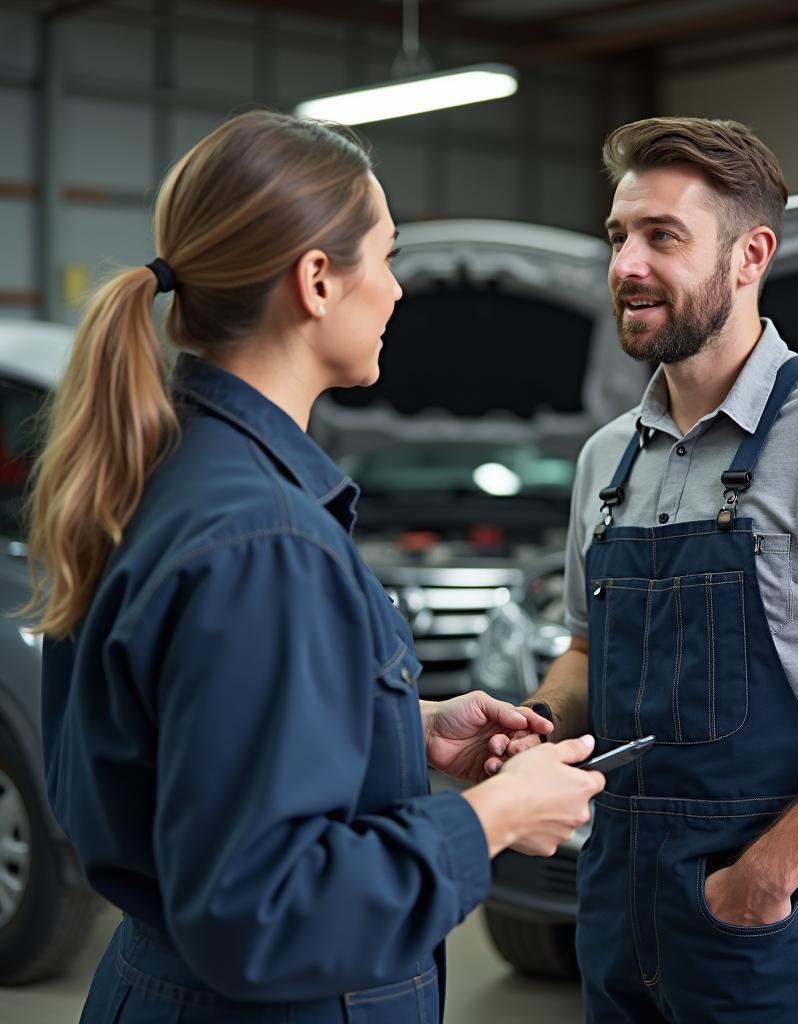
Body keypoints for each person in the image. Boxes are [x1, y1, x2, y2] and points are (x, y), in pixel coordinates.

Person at [26, 109, 604, 1024]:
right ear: (318, 281)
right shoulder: (265, 540)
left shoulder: (155, 475)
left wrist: (392, 727)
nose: (400, 291)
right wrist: (494, 818)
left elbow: (158, 746)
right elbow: (264, 909)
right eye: (387, 255)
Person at [490, 117, 798, 1022]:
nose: (626, 266)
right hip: (617, 904)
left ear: (750, 254)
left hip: (771, 920)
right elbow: (587, 648)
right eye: (618, 236)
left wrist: (766, 877)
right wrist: (539, 719)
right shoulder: (609, 458)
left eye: (662, 237)